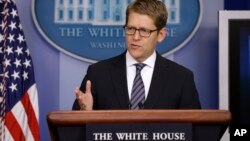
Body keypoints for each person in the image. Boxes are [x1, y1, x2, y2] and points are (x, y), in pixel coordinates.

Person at [72, 0, 201, 111]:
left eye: (144, 31)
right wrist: (86, 114)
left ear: (161, 35)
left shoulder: (181, 78)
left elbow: (195, 131)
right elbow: (74, 131)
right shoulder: (98, 74)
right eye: (130, 29)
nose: (135, 37)